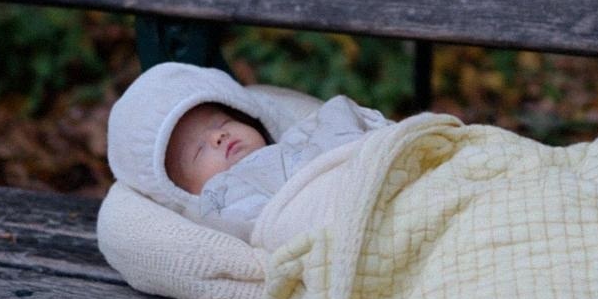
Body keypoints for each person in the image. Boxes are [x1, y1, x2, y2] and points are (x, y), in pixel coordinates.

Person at [106, 61, 391, 246]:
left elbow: (346, 131)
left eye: (222, 123)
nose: (217, 137)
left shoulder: (294, 140)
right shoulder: (221, 206)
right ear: (186, 192)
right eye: (197, 151)